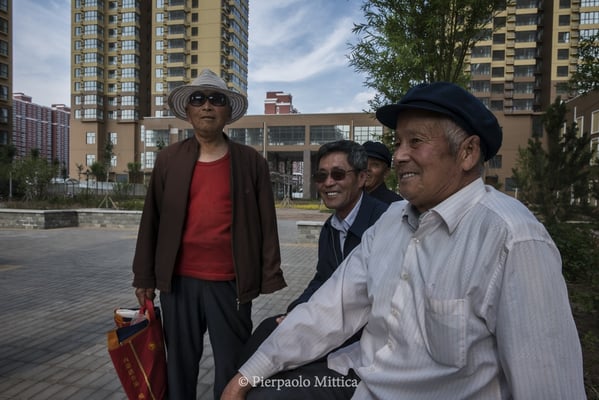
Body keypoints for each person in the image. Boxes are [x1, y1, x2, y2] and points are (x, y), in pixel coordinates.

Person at [221, 82, 586, 399]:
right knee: (266, 390)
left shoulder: (513, 239)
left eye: (416, 141)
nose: (397, 156)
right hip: (362, 382)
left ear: (468, 152)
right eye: (398, 142)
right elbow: (329, 310)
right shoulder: (391, 222)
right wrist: (244, 378)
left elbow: (547, 384)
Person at [131, 69, 286, 400]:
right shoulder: (169, 160)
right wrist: (143, 276)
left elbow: (266, 223)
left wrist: (267, 275)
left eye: (216, 99)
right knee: (180, 364)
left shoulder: (249, 162)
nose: (207, 106)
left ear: (227, 111)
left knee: (232, 365)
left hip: (229, 282)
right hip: (179, 282)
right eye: (198, 99)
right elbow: (151, 221)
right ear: (188, 110)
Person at [237, 140, 388, 368]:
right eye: (321, 176)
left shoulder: (384, 223)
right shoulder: (330, 227)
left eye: (338, 174)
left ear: (361, 178)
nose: (328, 183)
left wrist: (307, 322)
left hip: (363, 336)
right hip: (328, 319)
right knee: (268, 329)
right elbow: (322, 279)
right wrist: (296, 310)